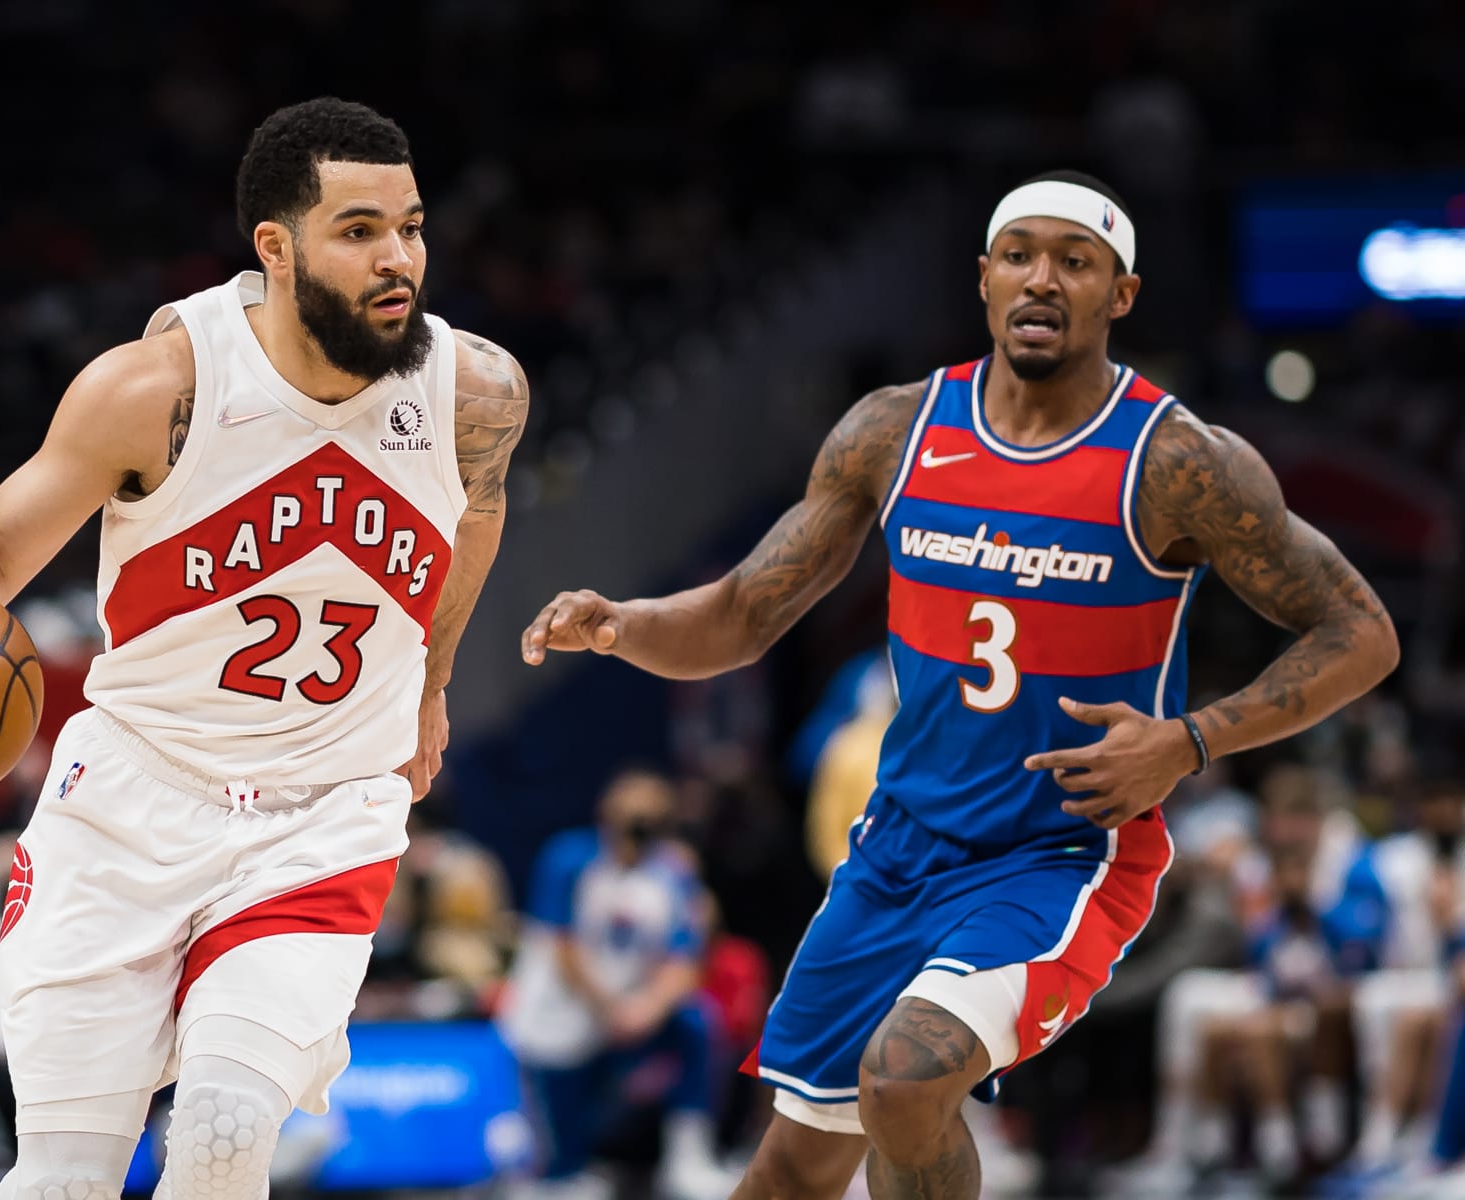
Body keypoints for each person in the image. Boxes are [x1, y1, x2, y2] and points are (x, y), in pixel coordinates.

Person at [521, 170, 1400, 1199]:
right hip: (898, 849)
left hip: (1060, 855)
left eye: (1076, 262)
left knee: (903, 1078)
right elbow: (745, 612)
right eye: (1020, 255)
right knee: (792, 1166)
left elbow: (1363, 632)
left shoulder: (1175, 461)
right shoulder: (896, 431)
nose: (1043, 279)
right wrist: (626, 625)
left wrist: (1188, 739)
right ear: (983, 279)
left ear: (1120, 295)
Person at [0, 97, 528, 1200]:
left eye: (412, 226)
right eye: (359, 230)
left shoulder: (473, 393)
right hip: (132, 801)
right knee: (62, 1180)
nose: (399, 259)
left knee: (228, 1127)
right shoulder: (161, 387)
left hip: (320, 813)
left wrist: (429, 683)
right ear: (276, 249)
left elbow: (475, 511)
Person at [499, 770, 734, 1200]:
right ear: (606, 816)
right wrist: (609, 1008)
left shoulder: (673, 874)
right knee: (560, 1163)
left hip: (630, 1020)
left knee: (696, 1023)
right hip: (564, 1020)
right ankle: (557, 1170)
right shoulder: (569, 858)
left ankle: (689, 1158)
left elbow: (684, 959)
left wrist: (648, 1007)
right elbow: (562, 948)